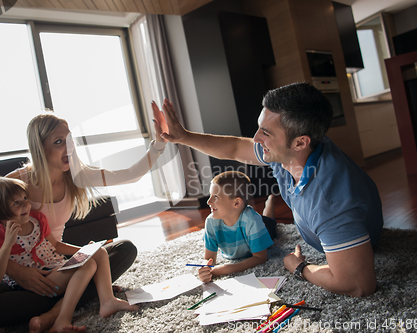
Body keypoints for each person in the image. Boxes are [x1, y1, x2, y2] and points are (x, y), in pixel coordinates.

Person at [158, 82, 384, 297]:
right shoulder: (287, 151)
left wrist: (300, 267)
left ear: (300, 142)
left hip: (352, 235)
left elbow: (358, 285)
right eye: (259, 128)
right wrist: (185, 137)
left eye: (265, 133)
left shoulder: (331, 201)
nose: (256, 138)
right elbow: (236, 148)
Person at [0, 108, 167, 331]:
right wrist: (17, 272)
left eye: (70, 140)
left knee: (123, 249)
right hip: (22, 277)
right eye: (59, 142)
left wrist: (158, 145)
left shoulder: (77, 174)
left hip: (57, 266)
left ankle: (50, 313)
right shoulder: (16, 184)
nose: (68, 147)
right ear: (40, 148)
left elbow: (129, 175)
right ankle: (80, 294)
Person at [0, 176, 139, 332]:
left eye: (25, 198)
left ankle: (107, 301)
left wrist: (83, 250)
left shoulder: (37, 219)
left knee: (100, 252)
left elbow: (55, 245)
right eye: (16, 203)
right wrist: (6, 246)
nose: (26, 205)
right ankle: (63, 319)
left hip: (56, 268)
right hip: (37, 282)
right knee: (88, 264)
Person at [198, 171, 275, 283]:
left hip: (263, 227)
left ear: (236, 203)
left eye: (215, 197)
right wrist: (205, 268)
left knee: (269, 221)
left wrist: (226, 269)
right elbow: (209, 258)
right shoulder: (211, 222)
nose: (208, 202)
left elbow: (260, 257)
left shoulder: (253, 221)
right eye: (210, 196)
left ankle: (270, 202)